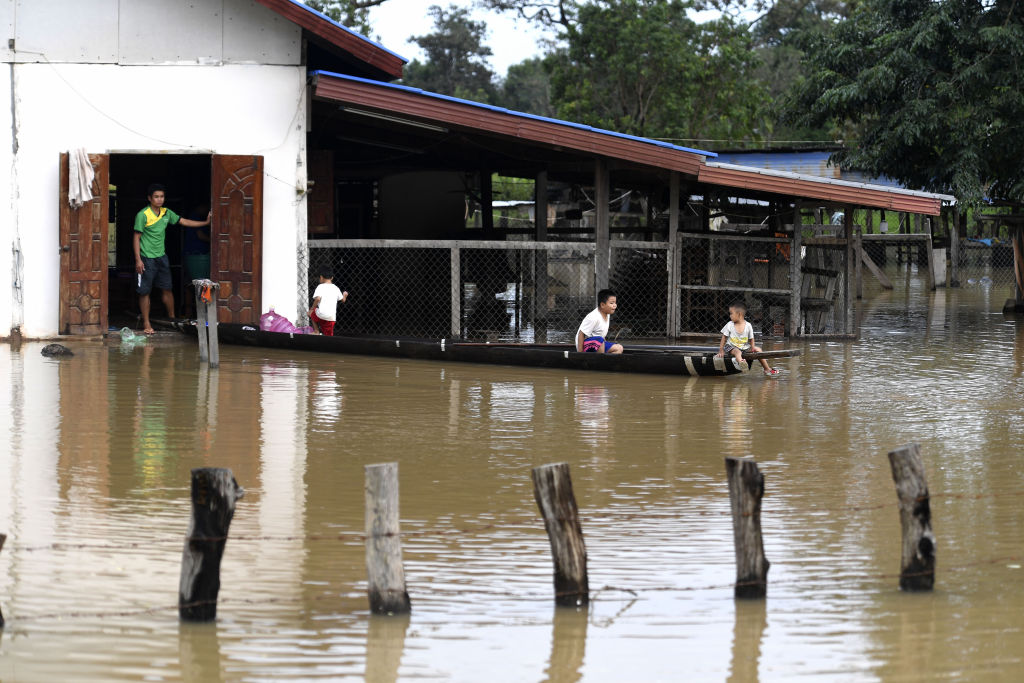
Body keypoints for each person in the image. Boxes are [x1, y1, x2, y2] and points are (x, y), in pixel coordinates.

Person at [133, 184, 211, 334]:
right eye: (156, 196)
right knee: (145, 292)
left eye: (162, 196)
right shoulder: (143, 215)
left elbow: (184, 221)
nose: (159, 199)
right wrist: (138, 259)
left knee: (167, 289)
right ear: (150, 198)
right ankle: (147, 323)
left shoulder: (166, 213)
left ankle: (173, 321)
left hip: (162, 257)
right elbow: (136, 238)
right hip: (146, 258)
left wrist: (205, 223)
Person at [716, 301, 779, 376]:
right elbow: (724, 337)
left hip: (744, 347)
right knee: (737, 352)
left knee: (759, 350)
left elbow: (751, 338)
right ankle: (742, 363)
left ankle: (767, 369)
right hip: (731, 347)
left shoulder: (748, 325)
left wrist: (752, 347)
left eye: (731, 313)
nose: (730, 316)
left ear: (739, 314)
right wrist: (721, 350)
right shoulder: (729, 325)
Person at [575, 288, 624, 354]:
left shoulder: (607, 314)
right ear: (602, 305)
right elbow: (581, 334)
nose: (615, 305)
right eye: (611, 303)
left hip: (598, 343)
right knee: (600, 341)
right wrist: (580, 353)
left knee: (619, 348)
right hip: (584, 345)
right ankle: (600, 362)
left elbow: (601, 334)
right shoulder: (593, 317)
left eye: (615, 303)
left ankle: (606, 362)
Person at [308, 266, 348, 336]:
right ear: (332, 278)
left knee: (312, 313)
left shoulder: (320, 286)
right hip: (331, 318)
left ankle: (316, 331)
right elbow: (343, 300)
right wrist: (344, 294)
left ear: (320, 277)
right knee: (329, 336)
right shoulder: (336, 288)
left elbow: (317, 299)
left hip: (320, 315)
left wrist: (311, 309)